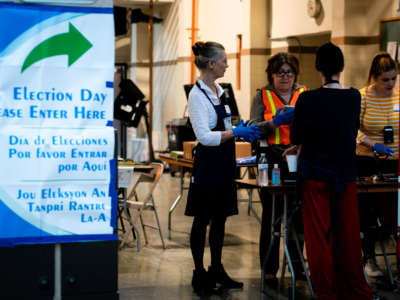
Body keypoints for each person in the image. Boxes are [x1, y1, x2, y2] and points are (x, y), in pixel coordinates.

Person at [288, 42, 374, 299]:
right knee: (347, 234)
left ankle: (326, 291)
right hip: (345, 174)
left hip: (315, 174)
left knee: (318, 237)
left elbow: (297, 135)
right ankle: (354, 288)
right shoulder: (353, 97)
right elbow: (347, 132)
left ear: (318, 68)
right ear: (342, 66)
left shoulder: (307, 98)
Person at [185, 41, 260, 297]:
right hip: (208, 165)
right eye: (224, 61)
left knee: (220, 218)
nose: (228, 65)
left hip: (225, 162)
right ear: (211, 64)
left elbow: (226, 123)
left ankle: (216, 268)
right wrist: (235, 132)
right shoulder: (196, 96)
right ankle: (199, 273)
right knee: (202, 218)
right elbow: (205, 137)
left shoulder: (219, 89)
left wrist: (240, 127)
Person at [249, 52, 307, 285]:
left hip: (297, 158)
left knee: (297, 215)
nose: (285, 77)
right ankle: (269, 268)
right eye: (280, 73)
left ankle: (297, 265)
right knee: (272, 215)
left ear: (295, 74)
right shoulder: (262, 96)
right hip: (271, 159)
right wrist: (273, 123)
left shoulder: (304, 94)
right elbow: (252, 127)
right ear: (271, 75)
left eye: (289, 72)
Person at [356, 52, 399, 277]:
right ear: (374, 77)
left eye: (393, 78)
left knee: (394, 212)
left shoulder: (399, 95)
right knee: (369, 212)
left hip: (395, 161)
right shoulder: (363, 96)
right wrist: (370, 142)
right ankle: (369, 258)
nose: (390, 84)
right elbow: (352, 129)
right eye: (385, 80)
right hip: (367, 160)